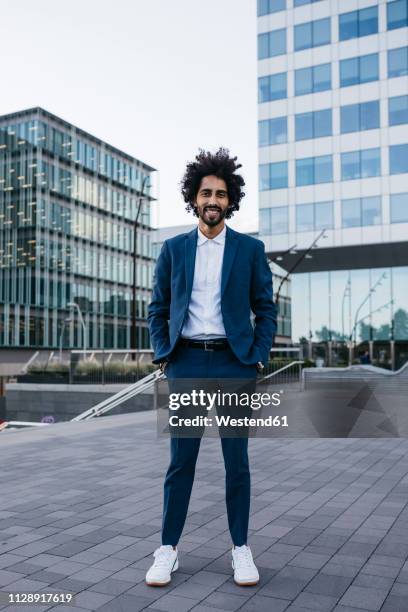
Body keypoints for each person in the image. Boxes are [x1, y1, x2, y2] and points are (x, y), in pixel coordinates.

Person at [146, 148, 277, 587]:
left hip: (234, 363)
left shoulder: (250, 249)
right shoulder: (174, 249)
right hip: (185, 362)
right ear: (194, 198)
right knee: (181, 463)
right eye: (206, 192)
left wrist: (257, 354)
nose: (213, 199)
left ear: (230, 199)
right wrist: (163, 351)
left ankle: (240, 548)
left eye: (221, 193)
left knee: (236, 461)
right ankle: (168, 549)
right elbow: (157, 308)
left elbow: (266, 308)